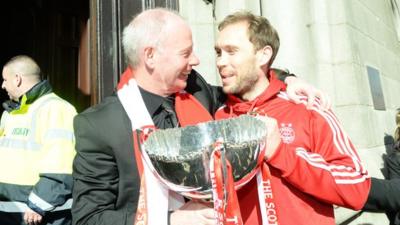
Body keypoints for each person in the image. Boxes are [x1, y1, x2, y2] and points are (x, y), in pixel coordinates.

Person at [71, 8, 330, 225]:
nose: (196, 60)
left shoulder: (197, 89)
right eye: (185, 53)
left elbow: (247, 82)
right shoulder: (99, 125)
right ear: (150, 55)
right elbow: (88, 218)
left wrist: (289, 79)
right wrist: (170, 220)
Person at [213, 11, 371, 225]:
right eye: (218, 52)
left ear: (263, 55)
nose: (221, 62)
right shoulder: (218, 115)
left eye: (231, 51)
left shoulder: (306, 105)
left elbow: (357, 186)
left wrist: (283, 154)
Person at [0, 55, 77, 225]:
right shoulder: (10, 114)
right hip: (11, 212)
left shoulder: (57, 109)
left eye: (5, 80)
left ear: (17, 79)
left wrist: (38, 204)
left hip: (40, 215)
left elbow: (61, 165)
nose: (2, 85)